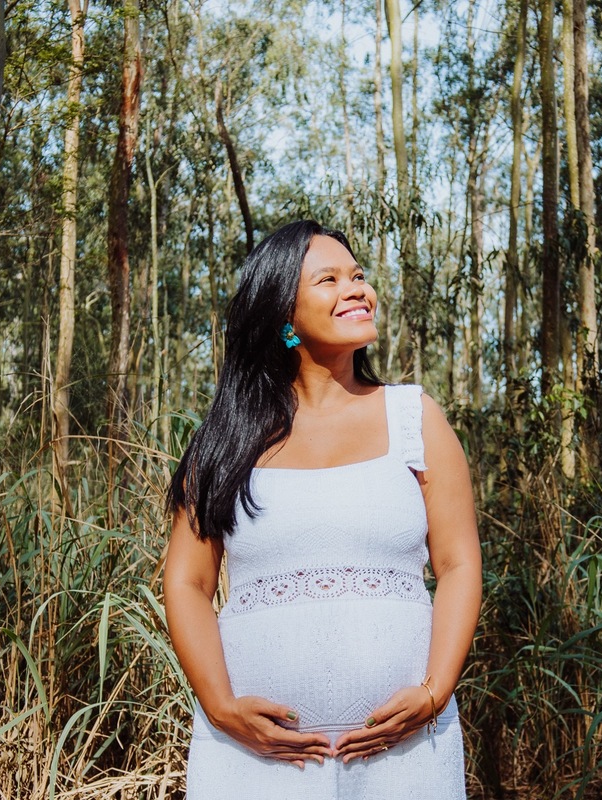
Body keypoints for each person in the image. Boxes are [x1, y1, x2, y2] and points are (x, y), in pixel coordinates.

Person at [162, 219, 482, 798]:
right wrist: (221, 705)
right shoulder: (229, 437)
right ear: (284, 314)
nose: (356, 288)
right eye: (329, 279)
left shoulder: (414, 417)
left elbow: (458, 563)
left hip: (403, 753)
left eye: (358, 275)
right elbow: (186, 581)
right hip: (252, 761)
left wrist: (434, 692)